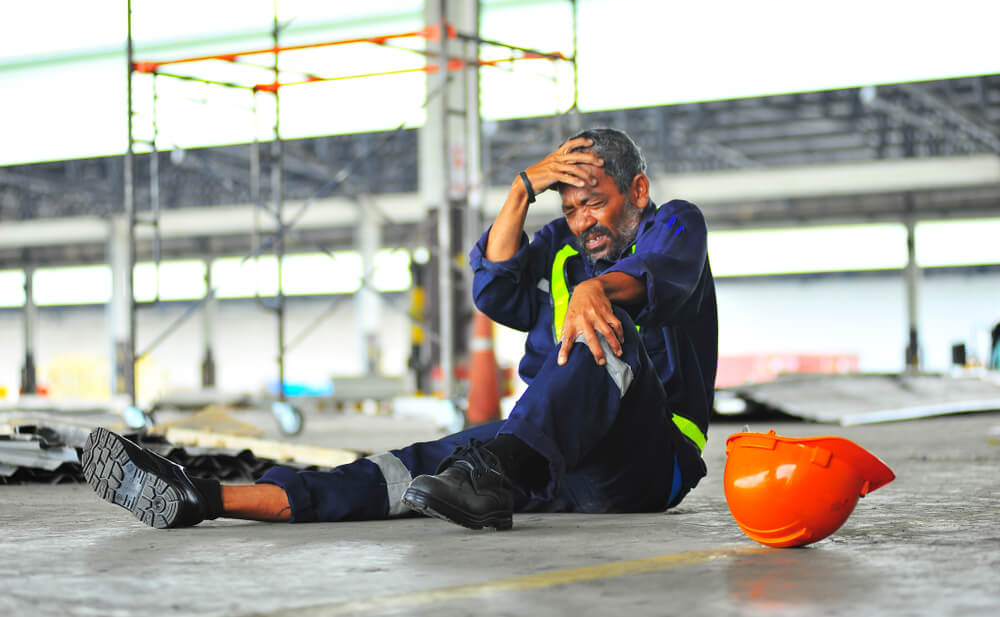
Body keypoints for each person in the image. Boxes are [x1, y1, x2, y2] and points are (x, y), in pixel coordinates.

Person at [82, 127, 718, 531]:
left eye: (596, 200)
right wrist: (523, 190)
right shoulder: (561, 247)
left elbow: (663, 278)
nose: (582, 220)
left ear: (636, 189)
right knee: (407, 473)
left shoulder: (675, 224)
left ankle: (492, 469)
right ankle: (206, 498)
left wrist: (592, 289)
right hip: (550, 453)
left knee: (603, 328)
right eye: (571, 206)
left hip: (649, 461)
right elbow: (493, 286)